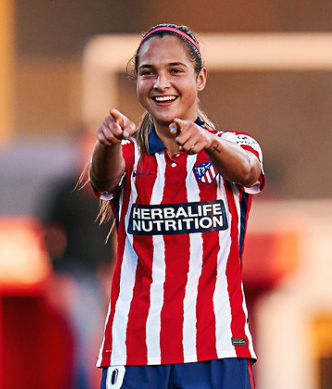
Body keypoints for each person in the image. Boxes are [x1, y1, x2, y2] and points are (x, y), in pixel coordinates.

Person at [88, 24, 265, 389]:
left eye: (175, 71)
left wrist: (209, 144)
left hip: (217, 348)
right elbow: (103, 182)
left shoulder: (232, 144)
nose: (160, 83)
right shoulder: (128, 153)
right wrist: (105, 142)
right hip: (135, 351)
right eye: (147, 72)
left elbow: (249, 171)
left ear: (200, 78)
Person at [39, 132, 114, 389]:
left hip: (107, 278)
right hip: (76, 277)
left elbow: (119, 232)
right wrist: (57, 275)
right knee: (87, 345)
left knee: (104, 344)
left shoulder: (110, 187)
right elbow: (50, 235)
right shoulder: (65, 190)